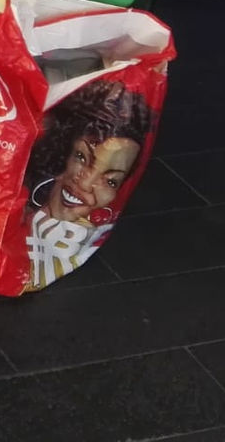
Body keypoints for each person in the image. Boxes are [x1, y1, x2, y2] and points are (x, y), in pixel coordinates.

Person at [22, 79, 155, 290]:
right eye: (81, 157)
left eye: (110, 181)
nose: (85, 184)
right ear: (62, 151)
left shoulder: (88, 232)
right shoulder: (14, 205)